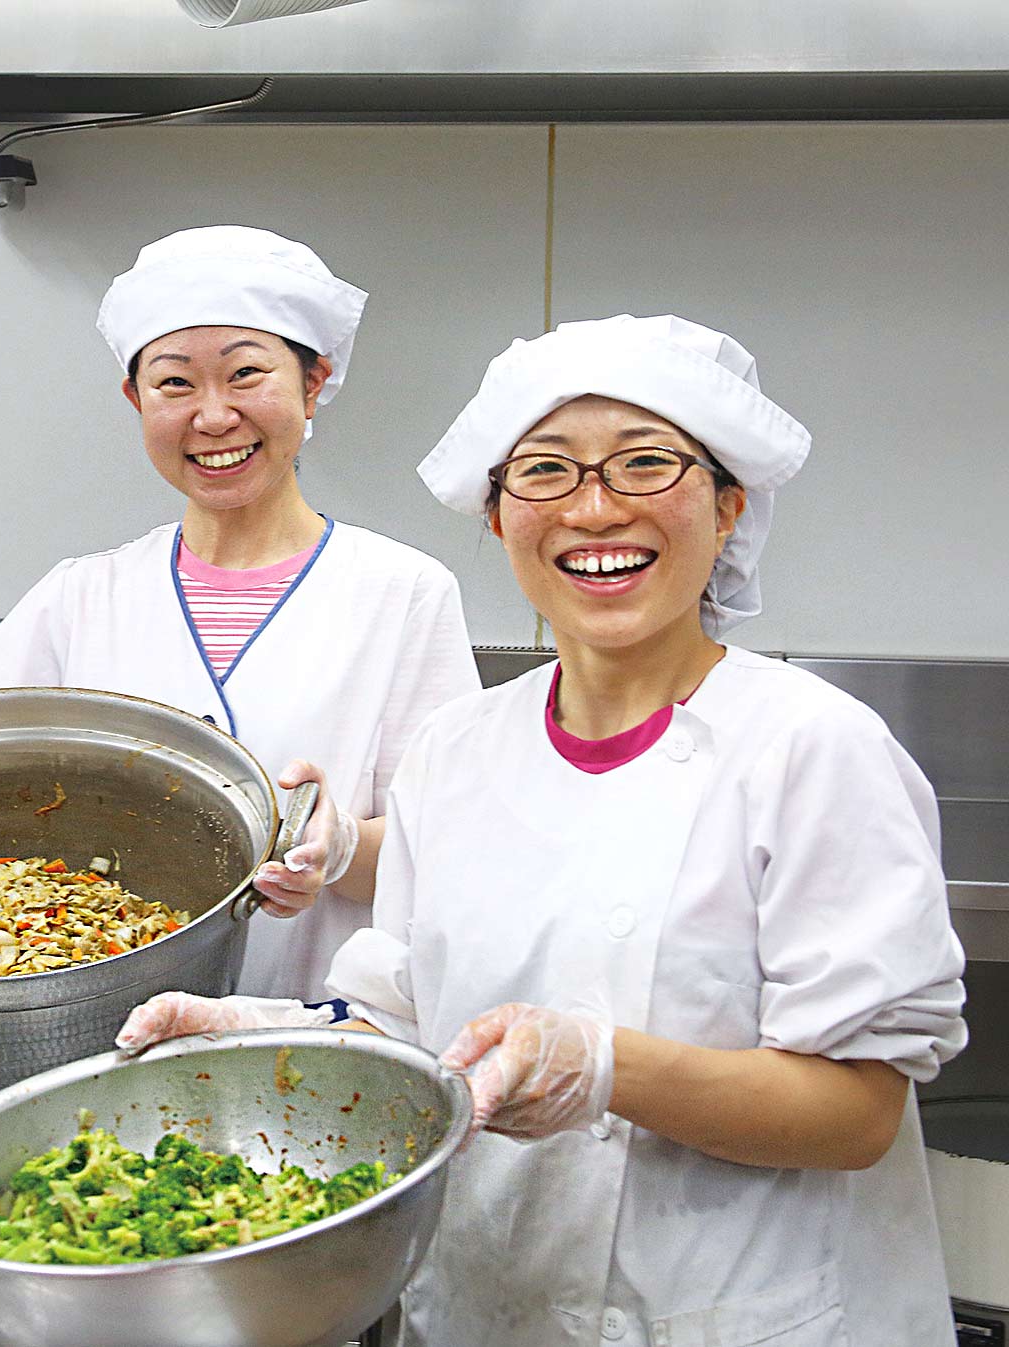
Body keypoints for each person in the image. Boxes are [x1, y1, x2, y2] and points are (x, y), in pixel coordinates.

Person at [119, 314, 967, 1345]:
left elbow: (856, 1115)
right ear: (497, 516)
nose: (593, 508)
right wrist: (271, 1039)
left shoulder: (813, 749)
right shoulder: (456, 751)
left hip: (744, 1315)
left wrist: (602, 1067)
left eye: (645, 463)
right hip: (488, 1307)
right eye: (546, 472)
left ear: (727, 504)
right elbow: (411, 1025)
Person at [0, 226, 480, 999]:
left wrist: (340, 849)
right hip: (92, 1042)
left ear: (313, 384)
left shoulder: (403, 595)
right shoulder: (82, 598)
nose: (214, 416)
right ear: (136, 399)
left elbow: (454, 857)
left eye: (246, 373)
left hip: (309, 1041)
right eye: (174, 383)